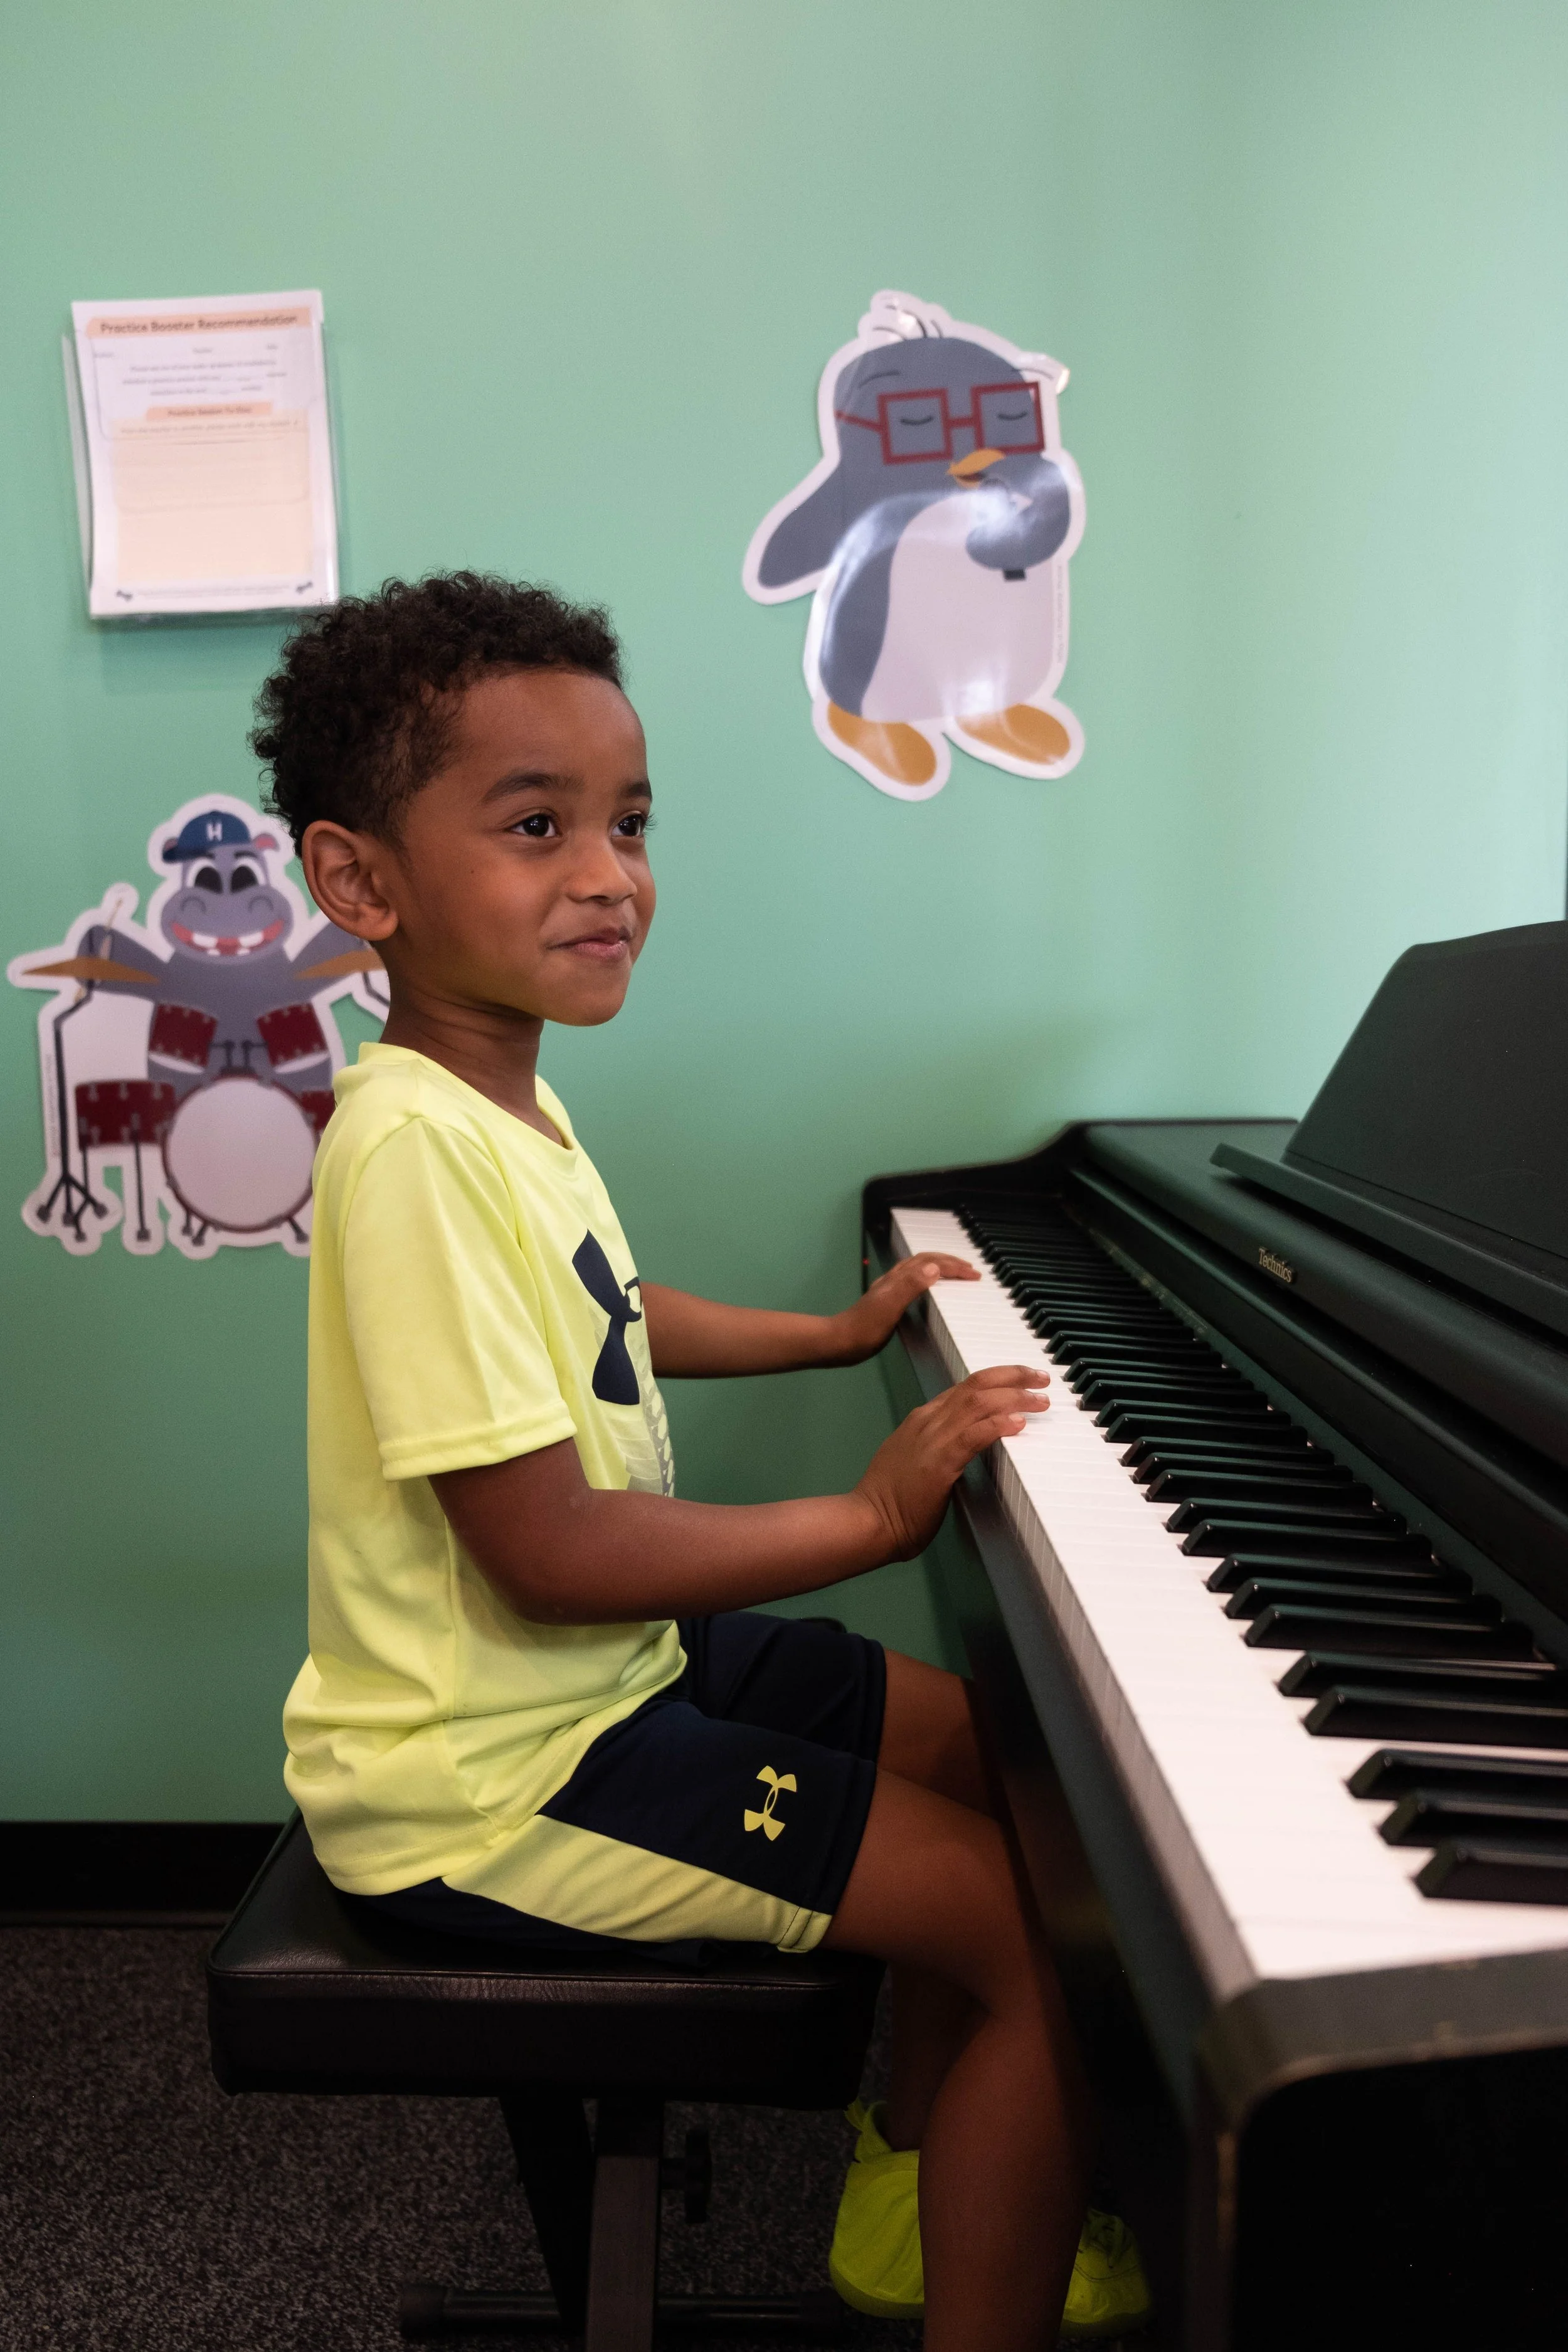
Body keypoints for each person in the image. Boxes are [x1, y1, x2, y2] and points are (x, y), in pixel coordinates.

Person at [255, 572, 1150, 2350]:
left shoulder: (497, 1093)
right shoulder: (412, 1153)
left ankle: (922, 2181)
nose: (610, 872)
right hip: (490, 1774)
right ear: (362, 881)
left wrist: (823, 1335)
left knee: (1012, 1766)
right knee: (1051, 1930)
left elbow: (606, 1304)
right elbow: (548, 1551)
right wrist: (862, 1512)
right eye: (536, 825)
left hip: (588, 1682)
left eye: (629, 821)